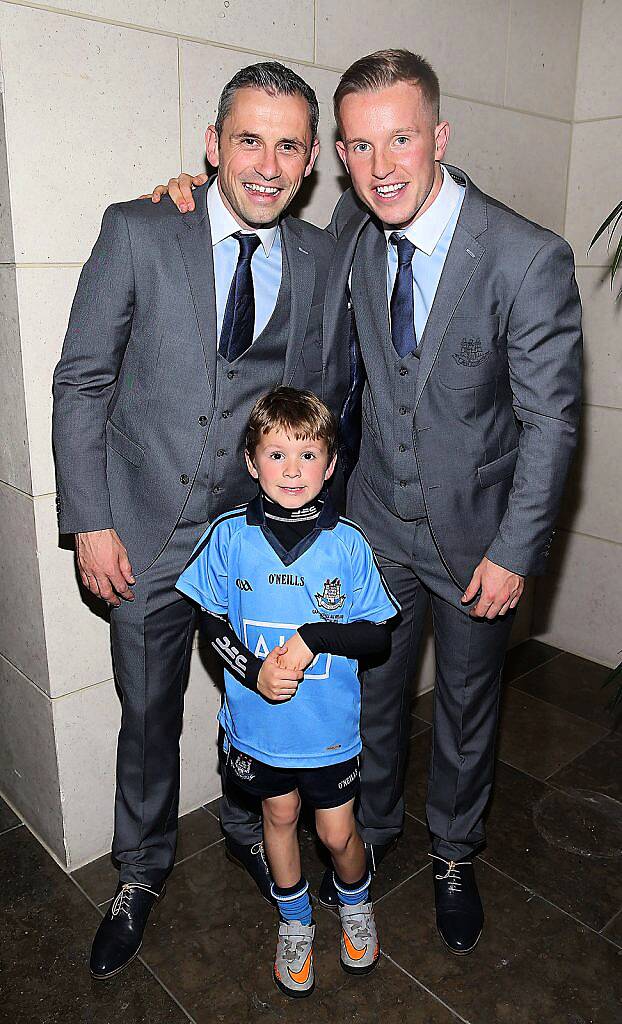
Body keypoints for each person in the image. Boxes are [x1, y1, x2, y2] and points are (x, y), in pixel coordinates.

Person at [153, 48, 583, 957]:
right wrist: (190, 191)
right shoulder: (350, 231)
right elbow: (252, 188)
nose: (381, 166)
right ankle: (371, 835)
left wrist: (515, 551)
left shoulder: (525, 255)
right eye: (359, 147)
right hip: (376, 526)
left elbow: (551, 424)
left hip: (478, 540)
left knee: (468, 704)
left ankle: (457, 855)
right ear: (340, 159)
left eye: (400, 140)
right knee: (369, 697)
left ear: (439, 137)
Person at [52, 61, 344, 980]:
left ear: (310, 164)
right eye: (247, 139)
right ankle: (138, 873)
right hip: (144, 534)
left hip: (262, 547)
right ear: (212, 146)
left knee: (265, 700)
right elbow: (83, 381)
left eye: (288, 144)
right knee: (147, 715)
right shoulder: (139, 229)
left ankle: (247, 825)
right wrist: (90, 521)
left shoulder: (326, 257)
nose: (266, 162)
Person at [176, 387, 397, 997]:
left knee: (336, 834)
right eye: (276, 455)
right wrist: (251, 673)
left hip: (326, 737)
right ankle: (294, 922)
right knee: (278, 817)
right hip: (259, 733)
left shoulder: (348, 543)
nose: (292, 471)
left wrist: (315, 635)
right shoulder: (229, 537)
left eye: (307, 456)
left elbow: (377, 637)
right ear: (251, 462)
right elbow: (211, 624)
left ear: (330, 465)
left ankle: (356, 900)